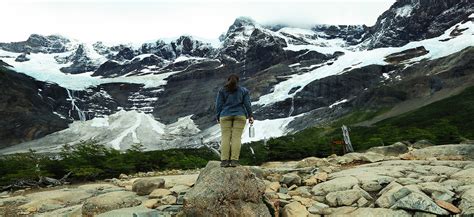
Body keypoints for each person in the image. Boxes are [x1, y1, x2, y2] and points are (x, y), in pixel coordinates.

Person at [215, 74, 254, 167]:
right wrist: (250, 115)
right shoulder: (244, 91)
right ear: (238, 81)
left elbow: (218, 105)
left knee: (225, 137)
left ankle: (224, 160)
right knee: (236, 138)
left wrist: (218, 116)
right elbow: (247, 104)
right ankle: (234, 161)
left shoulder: (222, 91)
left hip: (225, 115)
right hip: (240, 115)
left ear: (228, 80)